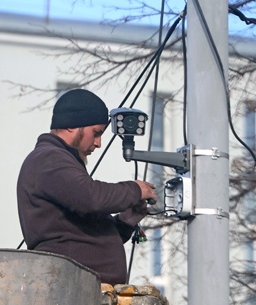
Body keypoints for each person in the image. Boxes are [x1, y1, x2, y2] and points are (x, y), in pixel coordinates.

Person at [17, 88, 157, 285]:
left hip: (82, 290)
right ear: (71, 125)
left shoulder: (58, 161)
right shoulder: (48, 159)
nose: (98, 143)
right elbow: (92, 198)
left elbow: (83, 234)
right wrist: (135, 190)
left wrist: (126, 221)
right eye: (96, 133)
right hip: (69, 290)